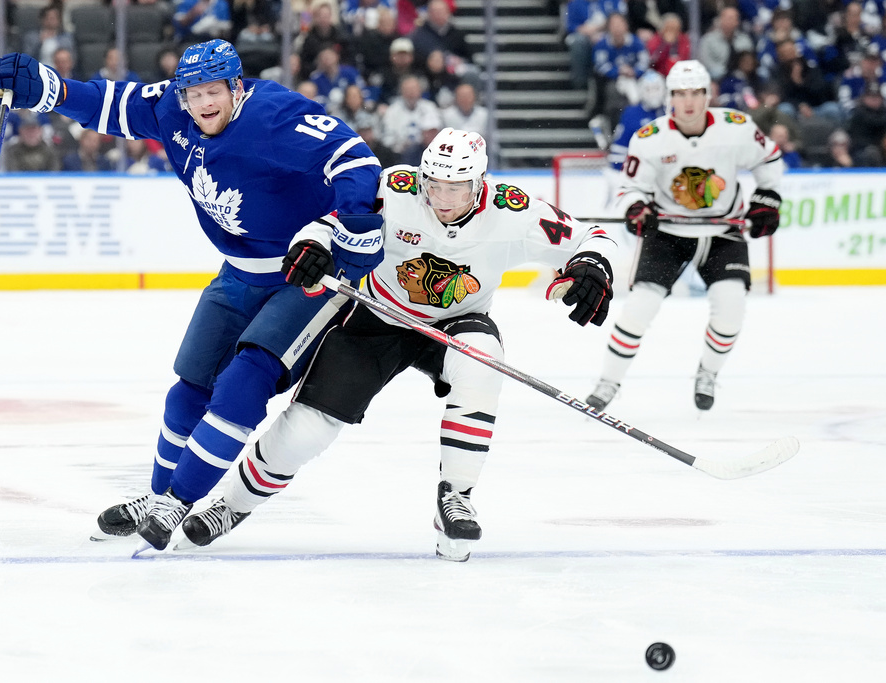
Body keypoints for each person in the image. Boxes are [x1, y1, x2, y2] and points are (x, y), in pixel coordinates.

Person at [0, 39, 383, 550]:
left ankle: (180, 499)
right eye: (193, 93)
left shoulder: (276, 115)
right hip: (238, 272)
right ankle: (159, 498)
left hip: (305, 277)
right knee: (188, 387)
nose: (203, 103)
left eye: (214, 91)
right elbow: (114, 105)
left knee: (247, 376)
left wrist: (339, 229)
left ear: (237, 88)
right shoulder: (173, 107)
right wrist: (49, 89)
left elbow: (355, 161)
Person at [177, 128, 618, 562]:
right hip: (375, 315)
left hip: (454, 323)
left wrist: (593, 265)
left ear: (480, 183)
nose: (443, 198)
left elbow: (592, 237)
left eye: (457, 187)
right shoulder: (395, 189)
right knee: (308, 429)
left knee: (483, 363)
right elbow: (330, 222)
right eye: (435, 184)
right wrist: (312, 245)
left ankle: (457, 497)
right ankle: (230, 506)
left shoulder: (513, 211)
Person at [584, 60, 784, 412]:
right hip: (668, 233)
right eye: (680, 93)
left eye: (696, 93)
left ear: (708, 95)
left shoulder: (735, 127)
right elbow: (631, 186)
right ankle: (608, 381)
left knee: (731, 311)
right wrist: (636, 207)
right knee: (638, 310)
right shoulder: (650, 139)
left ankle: (708, 373)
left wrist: (766, 198)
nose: (688, 102)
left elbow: (769, 159)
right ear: (669, 97)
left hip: (724, 232)